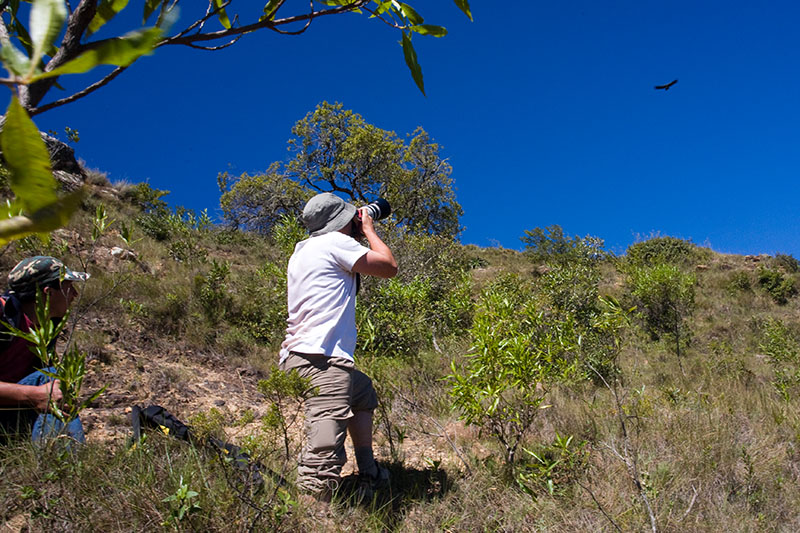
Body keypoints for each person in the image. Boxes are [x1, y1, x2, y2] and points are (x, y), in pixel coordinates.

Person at [279, 192, 398, 502]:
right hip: (324, 362)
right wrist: (369, 229)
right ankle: (310, 512)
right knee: (322, 460)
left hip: (297, 357)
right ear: (338, 223)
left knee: (362, 391)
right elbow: (388, 266)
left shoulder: (302, 250)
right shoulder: (334, 242)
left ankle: (368, 471)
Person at [0, 256, 90, 443]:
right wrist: (35, 395)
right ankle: (63, 468)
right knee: (49, 378)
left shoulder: (47, 327)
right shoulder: (3, 317)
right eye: (68, 286)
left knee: (55, 384)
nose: (74, 294)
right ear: (47, 293)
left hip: (8, 413)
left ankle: (56, 463)